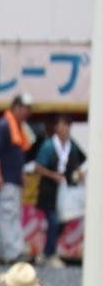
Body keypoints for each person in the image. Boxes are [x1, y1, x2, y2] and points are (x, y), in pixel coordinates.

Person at [34, 114, 87, 267]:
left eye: (68, 125)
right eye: (62, 125)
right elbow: (38, 167)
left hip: (65, 190)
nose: (65, 129)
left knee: (60, 222)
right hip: (50, 190)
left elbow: (76, 162)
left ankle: (46, 252)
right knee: (53, 221)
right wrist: (53, 175)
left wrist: (79, 172)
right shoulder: (49, 146)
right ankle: (50, 254)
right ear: (56, 127)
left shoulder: (72, 145)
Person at [0, 93, 34, 264]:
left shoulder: (17, 126)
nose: (27, 112)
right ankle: (14, 253)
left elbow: (17, 155)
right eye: (25, 108)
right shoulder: (4, 126)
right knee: (9, 215)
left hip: (13, 178)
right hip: (6, 178)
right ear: (16, 107)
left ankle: (4, 252)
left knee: (9, 215)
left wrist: (21, 174)